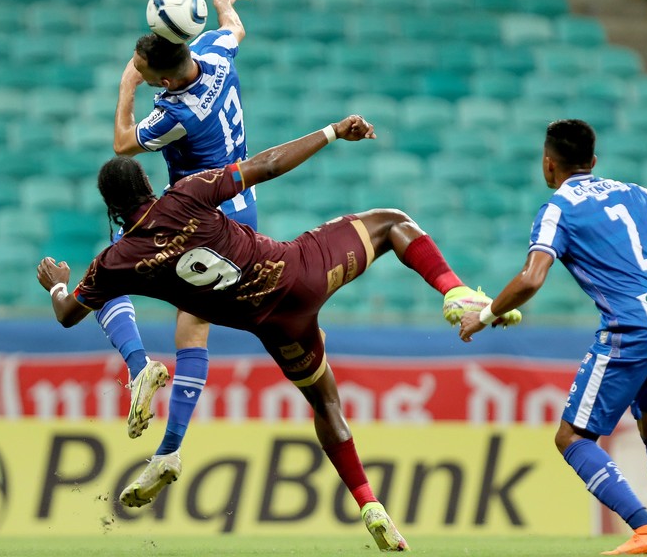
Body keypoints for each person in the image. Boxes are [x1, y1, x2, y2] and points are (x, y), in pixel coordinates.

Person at [37, 114, 521, 551]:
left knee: (325, 403)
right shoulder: (186, 193)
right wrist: (331, 132)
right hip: (300, 274)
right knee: (394, 224)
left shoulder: (115, 262)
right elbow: (266, 165)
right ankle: (454, 293)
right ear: (146, 181)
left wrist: (58, 283)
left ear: (110, 208)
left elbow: (68, 313)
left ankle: (369, 502)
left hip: (275, 326)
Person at [459, 119, 647, 555]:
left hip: (631, 328)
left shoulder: (556, 209)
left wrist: (484, 314)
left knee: (573, 438)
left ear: (548, 165)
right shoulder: (632, 192)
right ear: (593, 162)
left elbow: (531, 278)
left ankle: (646, 528)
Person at [98, 0, 253, 463]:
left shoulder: (175, 114)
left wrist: (127, 83)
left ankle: (140, 365)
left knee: (106, 273)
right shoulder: (218, 54)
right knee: (194, 326)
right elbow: (235, 29)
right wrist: (224, 4)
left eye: (147, 75)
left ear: (162, 82)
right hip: (243, 207)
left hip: (192, 214)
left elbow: (123, 144)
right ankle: (169, 450)